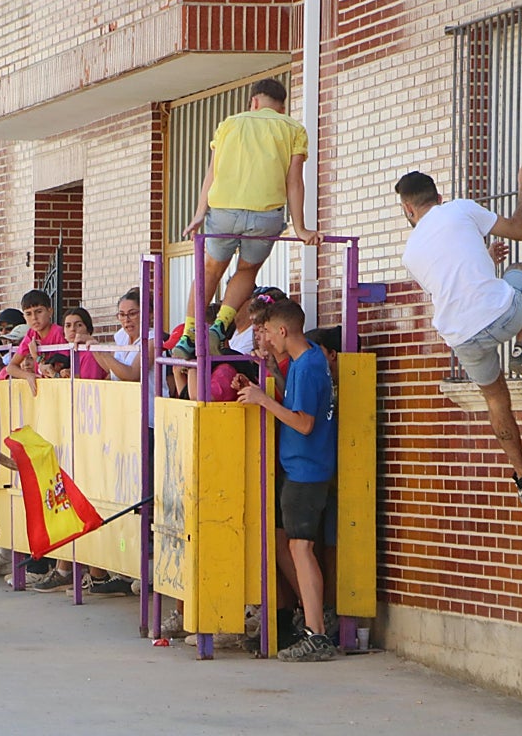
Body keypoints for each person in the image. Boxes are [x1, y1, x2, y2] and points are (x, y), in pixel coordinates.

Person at [395, 164, 522, 506]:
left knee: (496, 399)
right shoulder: (460, 208)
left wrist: (484, 257)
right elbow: (520, 230)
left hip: (462, 337)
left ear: (408, 209)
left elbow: (454, 286)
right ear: (439, 197)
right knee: (521, 270)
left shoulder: (410, 254)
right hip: (503, 316)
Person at [174, 78, 321, 361]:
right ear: (281, 107)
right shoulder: (293, 128)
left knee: (209, 270)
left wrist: (198, 215)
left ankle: (189, 335)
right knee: (246, 271)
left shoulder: (230, 124)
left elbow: (211, 173)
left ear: (253, 101)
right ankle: (219, 326)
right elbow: (294, 182)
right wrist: (300, 227)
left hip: (224, 212)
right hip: (265, 215)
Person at [235, 298, 338, 662]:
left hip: (307, 469)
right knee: (294, 545)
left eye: (267, 332)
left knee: (301, 548)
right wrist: (269, 377)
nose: (264, 339)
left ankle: (317, 632)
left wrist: (263, 399)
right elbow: (297, 403)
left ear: (282, 330)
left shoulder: (308, 365)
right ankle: (314, 626)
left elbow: (304, 422)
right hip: (302, 468)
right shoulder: (302, 362)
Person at [6, 289, 65, 396]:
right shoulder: (30, 335)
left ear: (50, 312)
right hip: (41, 391)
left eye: (39, 312)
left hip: (59, 390)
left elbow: (62, 367)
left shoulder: (59, 333)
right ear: (24, 317)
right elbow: (11, 367)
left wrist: (36, 356)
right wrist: (28, 376)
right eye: (28, 314)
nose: (34, 318)